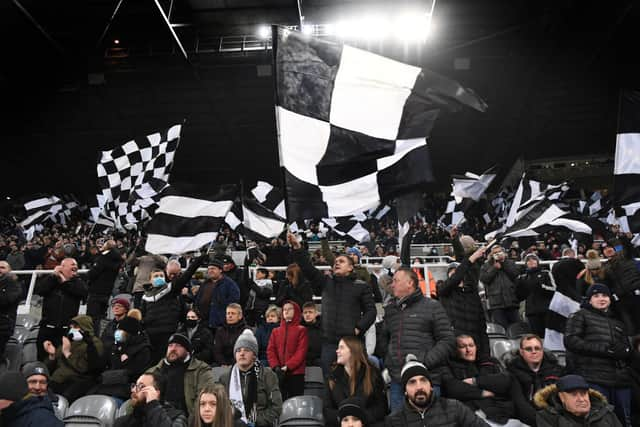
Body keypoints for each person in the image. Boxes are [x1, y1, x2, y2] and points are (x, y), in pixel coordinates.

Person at [288, 232, 376, 377]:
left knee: (355, 381)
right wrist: (297, 248)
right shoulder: (326, 282)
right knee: (330, 383)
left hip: (351, 342)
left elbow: (371, 312)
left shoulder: (361, 286)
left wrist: (358, 329)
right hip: (329, 343)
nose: (337, 263)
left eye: (341, 261)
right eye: (336, 262)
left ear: (350, 268)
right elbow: (308, 269)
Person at [378, 266, 455, 412]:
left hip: (426, 379)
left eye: (396, 280)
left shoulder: (433, 306)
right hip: (398, 381)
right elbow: (384, 339)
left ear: (409, 283)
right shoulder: (390, 310)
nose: (392, 284)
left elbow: (448, 340)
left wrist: (424, 362)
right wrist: (390, 360)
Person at [564, 283, 632, 426]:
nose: (601, 299)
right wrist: (605, 350)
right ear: (589, 300)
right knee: (600, 421)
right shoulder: (579, 315)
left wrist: (625, 351)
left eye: (605, 295)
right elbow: (571, 341)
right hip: (594, 378)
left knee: (624, 420)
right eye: (596, 296)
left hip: (620, 381)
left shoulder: (617, 322)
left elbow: (627, 347)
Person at [384, 355, 489, 427]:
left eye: (423, 380)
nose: (419, 387)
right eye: (412, 382)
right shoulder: (394, 421)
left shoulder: (454, 408)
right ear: (405, 391)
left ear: (431, 386)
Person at [441, 335, 518, 426]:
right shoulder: (449, 366)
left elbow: (505, 381)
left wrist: (474, 381)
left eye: (471, 345)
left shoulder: (490, 362)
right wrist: (482, 392)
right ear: (456, 350)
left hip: (501, 414)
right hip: (475, 416)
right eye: (463, 347)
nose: (468, 350)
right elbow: (452, 388)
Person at [218, 329, 283, 427]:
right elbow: (219, 405)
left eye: (247, 350)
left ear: (254, 355)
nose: (242, 353)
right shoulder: (225, 378)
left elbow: (276, 407)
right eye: (238, 350)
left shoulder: (267, 375)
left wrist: (257, 422)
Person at [437, 245, 490, 361]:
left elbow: (482, 327)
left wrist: (486, 359)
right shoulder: (444, 289)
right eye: (451, 272)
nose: (454, 274)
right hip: (456, 346)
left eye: (456, 271)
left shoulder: (472, 293)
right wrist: (471, 258)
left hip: (476, 345)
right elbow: (455, 279)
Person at [324, 336, 388, 427]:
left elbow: (381, 407)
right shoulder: (331, 376)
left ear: (353, 350)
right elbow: (327, 410)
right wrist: (345, 421)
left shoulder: (373, 374)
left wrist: (360, 419)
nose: (337, 351)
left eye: (341, 347)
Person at [147, 333, 215, 417]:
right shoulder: (153, 372)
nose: (173, 349)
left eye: (178, 345)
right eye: (170, 345)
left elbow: (205, 398)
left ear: (187, 351)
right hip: (158, 417)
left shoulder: (201, 370)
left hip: (188, 418)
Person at [35, 257, 88, 361]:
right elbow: (40, 290)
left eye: (76, 265)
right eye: (72, 264)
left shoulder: (78, 282)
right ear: (61, 267)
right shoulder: (51, 280)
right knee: (43, 359)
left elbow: (82, 293)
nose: (75, 266)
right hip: (47, 329)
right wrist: (53, 276)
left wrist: (64, 281)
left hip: (66, 330)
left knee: (63, 361)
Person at [92, 311, 152, 401]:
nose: (117, 333)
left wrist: (106, 376)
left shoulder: (143, 350)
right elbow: (103, 363)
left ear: (128, 333)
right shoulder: (117, 346)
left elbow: (134, 373)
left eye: (120, 331)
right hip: (108, 384)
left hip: (126, 389)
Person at [44, 314, 104, 401]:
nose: (72, 329)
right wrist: (52, 355)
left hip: (76, 381)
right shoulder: (69, 340)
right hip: (57, 379)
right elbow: (49, 367)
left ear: (84, 327)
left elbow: (84, 369)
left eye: (75, 326)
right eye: (71, 326)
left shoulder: (94, 344)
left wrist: (68, 353)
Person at [506, 334, 563, 426]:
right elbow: (520, 406)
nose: (534, 352)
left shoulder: (557, 370)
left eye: (537, 348)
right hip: (526, 420)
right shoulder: (512, 373)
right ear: (521, 352)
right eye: (529, 349)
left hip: (555, 417)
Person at [534, 374, 622, 427]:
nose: (581, 399)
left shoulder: (606, 413)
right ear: (561, 397)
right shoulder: (547, 417)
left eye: (584, 393)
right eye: (574, 394)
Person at [267, 300, 308, 400]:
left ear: (296, 311)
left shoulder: (301, 330)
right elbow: (270, 350)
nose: (286, 311)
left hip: (296, 374)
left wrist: (288, 366)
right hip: (278, 373)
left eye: (289, 309)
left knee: (296, 403)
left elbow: (301, 352)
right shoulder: (275, 331)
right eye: (284, 309)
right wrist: (275, 366)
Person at [114, 372, 188, 427]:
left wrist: (153, 404)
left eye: (141, 386)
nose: (133, 390)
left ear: (156, 393)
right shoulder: (122, 422)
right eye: (134, 386)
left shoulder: (176, 416)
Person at [602, 237, 640, 335]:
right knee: (630, 329)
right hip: (621, 301)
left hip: (636, 297)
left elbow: (626, 245)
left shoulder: (628, 259)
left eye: (610, 247)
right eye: (605, 249)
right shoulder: (605, 267)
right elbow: (606, 285)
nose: (607, 250)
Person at [86, 239, 123, 333]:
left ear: (107, 246)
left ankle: (93, 339)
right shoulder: (117, 260)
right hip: (107, 292)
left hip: (96, 292)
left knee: (92, 319)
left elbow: (93, 274)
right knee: (101, 318)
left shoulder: (103, 258)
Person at [479, 245, 521, 329]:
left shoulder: (510, 263)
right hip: (496, 304)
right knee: (501, 329)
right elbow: (484, 279)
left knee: (516, 329)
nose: (498, 254)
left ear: (504, 253)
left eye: (499, 252)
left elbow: (515, 274)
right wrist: (494, 268)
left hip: (512, 301)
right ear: (491, 254)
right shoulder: (486, 266)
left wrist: (503, 263)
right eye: (495, 253)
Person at [515, 253, 556, 337]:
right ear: (526, 264)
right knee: (536, 336)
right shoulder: (523, 278)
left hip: (545, 310)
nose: (531, 261)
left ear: (537, 261)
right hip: (531, 311)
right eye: (528, 260)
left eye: (533, 259)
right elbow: (520, 296)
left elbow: (554, 289)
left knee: (549, 336)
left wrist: (542, 287)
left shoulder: (545, 273)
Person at [195, 258, 240, 333]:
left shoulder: (229, 284)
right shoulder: (205, 283)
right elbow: (198, 299)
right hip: (203, 322)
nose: (210, 271)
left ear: (220, 270)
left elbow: (234, 301)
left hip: (220, 324)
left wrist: (222, 314)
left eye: (213, 269)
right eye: (209, 269)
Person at [0, 260, 22, 359]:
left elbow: (6, 300)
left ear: (9, 270)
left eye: (2, 267)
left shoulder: (15, 285)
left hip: (3, 326)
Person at [300, 301, 322, 367]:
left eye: (310, 312)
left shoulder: (323, 326)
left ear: (316, 313)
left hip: (319, 358)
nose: (307, 314)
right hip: (303, 359)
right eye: (305, 312)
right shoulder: (299, 328)